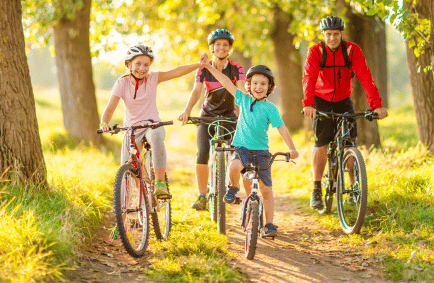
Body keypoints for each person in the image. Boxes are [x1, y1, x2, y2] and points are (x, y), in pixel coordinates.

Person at [201, 55, 299, 237]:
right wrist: (208, 66)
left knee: (266, 191)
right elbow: (225, 80)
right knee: (235, 166)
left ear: (269, 88)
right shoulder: (243, 100)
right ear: (249, 85)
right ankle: (233, 187)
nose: (258, 87)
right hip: (242, 147)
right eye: (255, 83)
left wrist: (292, 148)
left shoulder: (271, 109)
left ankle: (269, 224)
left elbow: (282, 129)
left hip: (261, 152)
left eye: (263, 84)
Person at [302, 15, 388, 210]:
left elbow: (366, 77)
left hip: (343, 101)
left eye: (336, 34)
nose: (332, 38)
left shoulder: (352, 51)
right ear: (323, 35)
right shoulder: (316, 52)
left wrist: (376, 105)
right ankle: (316, 189)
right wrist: (308, 104)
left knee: (349, 141)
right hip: (320, 101)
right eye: (329, 34)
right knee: (322, 142)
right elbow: (309, 77)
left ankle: (353, 185)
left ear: (342, 34)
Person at [100, 44, 205, 199]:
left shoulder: (153, 78)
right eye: (138, 64)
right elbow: (109, 109)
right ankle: (134, 207)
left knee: (156, 137)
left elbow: (175, 72)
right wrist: (104, 123)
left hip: (152, 125)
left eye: (146, 65)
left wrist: (199, 65)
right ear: (129, 64)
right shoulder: (121, 84)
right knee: (129, 167)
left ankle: (160, 183)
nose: (142, 68)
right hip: (132, 129)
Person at [178, 29, 246, 210]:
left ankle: (232, 187)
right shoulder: (203, 68)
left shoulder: (236, 68)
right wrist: (187, 110)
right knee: (202, 153)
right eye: (218, 45)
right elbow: (196, 91)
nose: (222, 48)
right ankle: (202, 195)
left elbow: (240, 92)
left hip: (229, 116)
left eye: (225, 45)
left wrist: (244, 115)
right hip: (207, 115)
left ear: (229, 48)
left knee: (236, 153)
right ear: (212, 47)